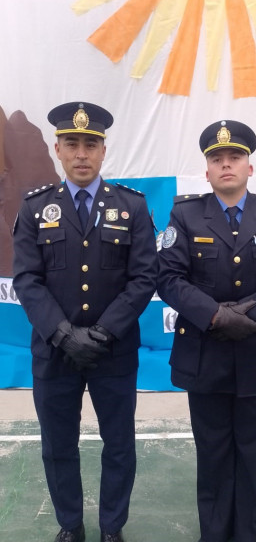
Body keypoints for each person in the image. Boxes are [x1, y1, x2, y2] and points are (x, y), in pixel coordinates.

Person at [157, 120, 256, 542]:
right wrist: (215, 316)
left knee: (252, 456)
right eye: (216, 159)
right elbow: (168, 278)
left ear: (250, 165)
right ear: (206, 170)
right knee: (212, 456)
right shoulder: (185, 215)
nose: (226, 164)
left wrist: (245, 313)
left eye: (235, 157)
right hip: (205, 357)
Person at [13, 102, 158, 542]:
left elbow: (143, 276)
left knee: (119, 446)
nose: (81, 153)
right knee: (58, 447)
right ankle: (71, 525)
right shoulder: (37, 208)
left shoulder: (130, 207)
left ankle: (112, 528)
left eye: (90, 144)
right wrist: (61, 333)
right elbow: (27, 279)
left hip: (112, 351)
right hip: (54, 352)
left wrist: (102, 332)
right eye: (72, 144)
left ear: (102, 151)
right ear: (57, 149)